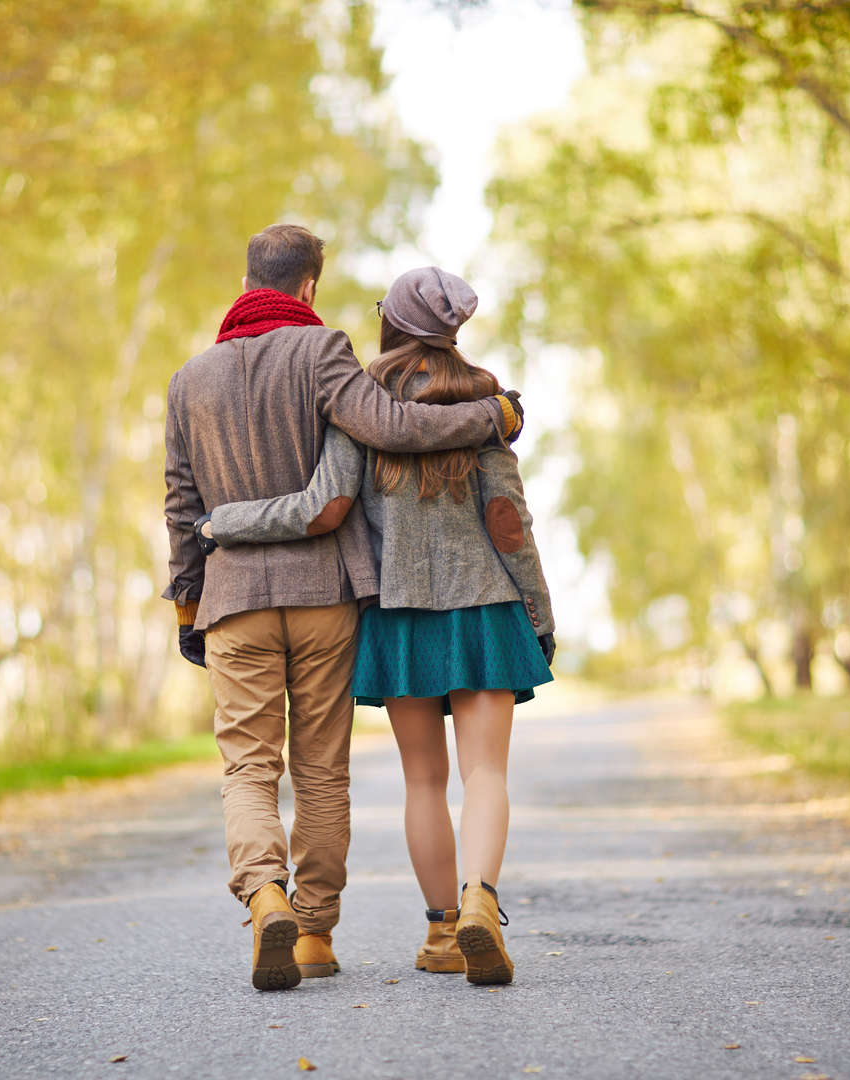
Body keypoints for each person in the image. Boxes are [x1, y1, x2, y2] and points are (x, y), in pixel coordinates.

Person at [162, 227, 524, 992]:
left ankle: (266, 896)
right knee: (323, 772)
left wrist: (190, 603)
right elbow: (400, 439)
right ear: (311, 288)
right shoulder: (324, 354)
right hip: (329, 596)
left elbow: (181, 504)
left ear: (248, 277)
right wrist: (494, 415)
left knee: (248, 770)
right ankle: (317, 937)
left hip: (233, 601)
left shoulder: (188, 381)